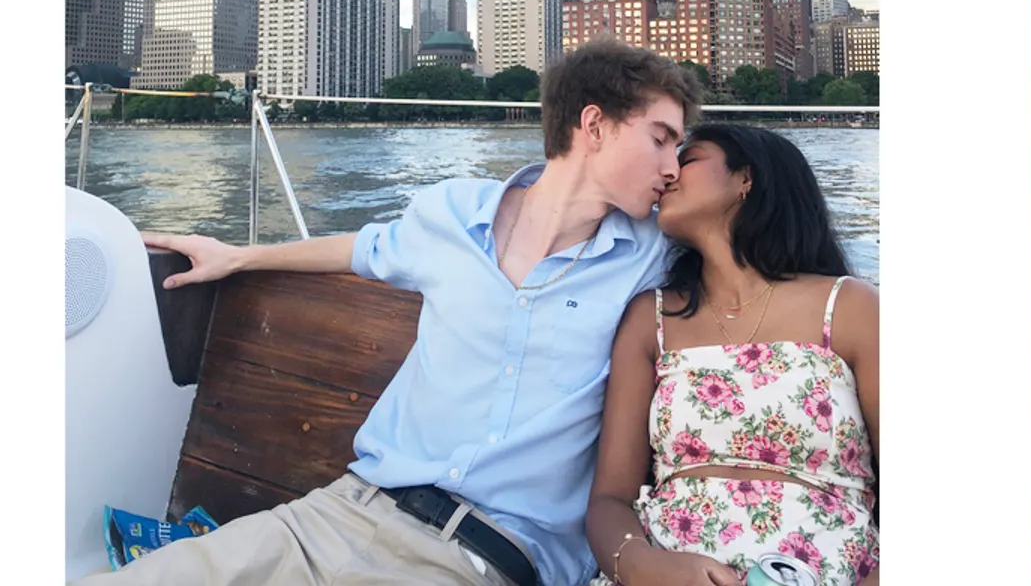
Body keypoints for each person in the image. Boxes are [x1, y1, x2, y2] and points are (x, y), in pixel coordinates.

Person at [77, 41, 703, 586]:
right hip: (340, 513)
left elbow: (759, 269)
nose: (672, 169)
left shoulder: (652, 258)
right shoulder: (451, 215)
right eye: (660, 139)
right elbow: (363, 248)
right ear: (593, 125)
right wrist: (240, 257)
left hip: (484, 558)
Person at [585, 123, 879, 586]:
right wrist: (645, 565)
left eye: (689, 158)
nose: (668, 173)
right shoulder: (652, 319)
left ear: (747, 178)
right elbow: (609, 501)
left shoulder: (849, 307)